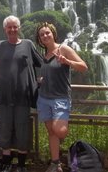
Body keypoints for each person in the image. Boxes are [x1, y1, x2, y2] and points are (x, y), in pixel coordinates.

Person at [0, 15, 42, 172]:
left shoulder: (28, 44)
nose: (12, 29)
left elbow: (41, 63)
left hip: (23, 97)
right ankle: (6, 162)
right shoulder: (0, 46)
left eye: (15, 26)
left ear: (19, 28)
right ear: (5, 29)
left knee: (22, 130)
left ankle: (22, 165)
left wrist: (42, 79)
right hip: (4, 95)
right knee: (4, 129)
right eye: (9, 27)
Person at [35, 22, 88, 172]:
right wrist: (41, 80)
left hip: (60, 98)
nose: (45, 36)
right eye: (42, 35)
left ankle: (60, 158)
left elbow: (83, 66)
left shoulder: (63, 49)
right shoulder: (44, 55)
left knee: (60, 130)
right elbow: (49, 73)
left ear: (53, 34)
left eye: (47, 33)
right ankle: (55, 163)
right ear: (39, 39)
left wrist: (67, 61)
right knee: (51, 132)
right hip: (44, 98)